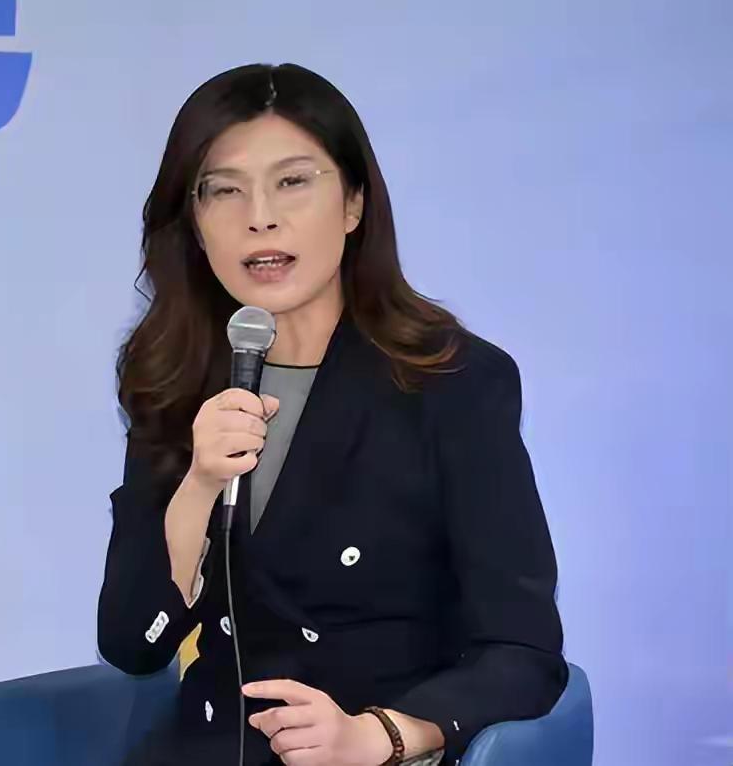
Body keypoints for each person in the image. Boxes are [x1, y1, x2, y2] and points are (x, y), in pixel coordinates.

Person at [97, 63, 567, 766]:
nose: (260, 216)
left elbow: (523, 651)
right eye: (224, 189)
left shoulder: (452, 381)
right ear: (193, 222)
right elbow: (134, 645)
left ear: (352, 204)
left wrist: (384, 733)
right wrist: (198, 484)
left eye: (292, 182)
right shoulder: (173, 376)